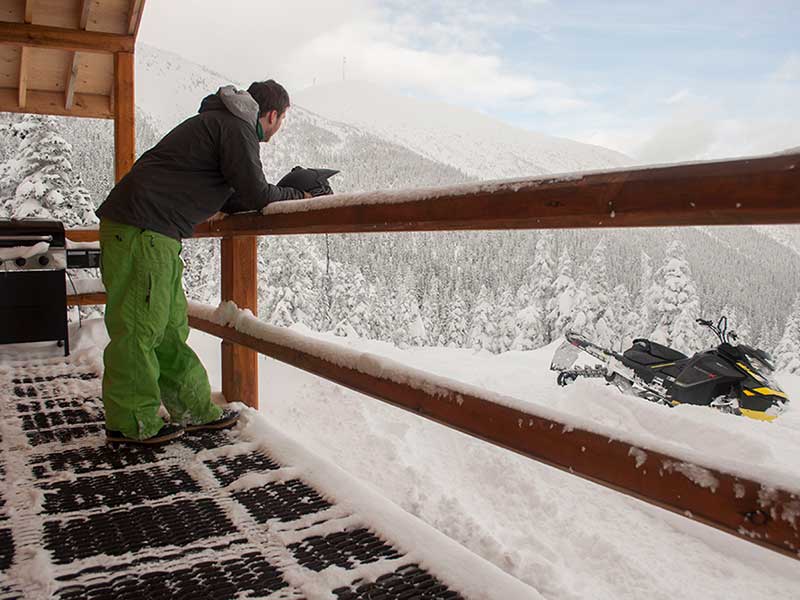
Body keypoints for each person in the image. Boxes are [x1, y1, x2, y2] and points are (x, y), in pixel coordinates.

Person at [96, 80, 307, 445]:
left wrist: (283, 192)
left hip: (154, 233)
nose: (278, 126)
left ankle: (194, 408)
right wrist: (300, 195)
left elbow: (236, 197)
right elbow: (256, 193)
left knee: (168, 327)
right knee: (139, 328)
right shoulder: (237, 126)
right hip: (141, 229)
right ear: (272, 115)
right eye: (282, 119)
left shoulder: (221, 124)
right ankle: (130, 423)